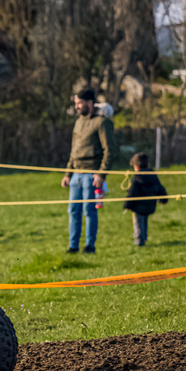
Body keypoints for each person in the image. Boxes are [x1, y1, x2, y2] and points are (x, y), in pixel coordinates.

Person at [60, 88, 117, 254]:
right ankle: (73, 246)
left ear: (90, 103)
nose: (77, 106)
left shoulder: (101, 122)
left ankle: (90, 246)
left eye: (80, 103)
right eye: (76, 103)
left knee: (89, 211)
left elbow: (110, 151)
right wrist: (67, 174)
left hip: (91, 175)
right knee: (73, 211)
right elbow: (74, 150)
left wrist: (101, 174)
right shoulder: (78, 122)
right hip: (75, 175)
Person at [123, 152, 168, 247]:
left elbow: (132, 193)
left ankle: (139, 240)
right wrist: (164, 199)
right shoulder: (153, 176)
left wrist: (127, 205)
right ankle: (144, 236)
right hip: (150, 205)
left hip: (138, 207)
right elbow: (160, 187)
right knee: (144, 221)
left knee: (138, 223)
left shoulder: (136, 178)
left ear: (136, 166)